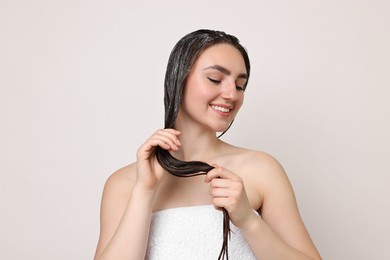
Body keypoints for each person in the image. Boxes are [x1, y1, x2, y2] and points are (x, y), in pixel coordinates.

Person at [94, 29, 321, 260]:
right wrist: (144, 191)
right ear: (178, 78)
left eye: (240, 85)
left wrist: (249, 221)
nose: (232, 94)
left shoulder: (261, 169)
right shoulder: (125, 183)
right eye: (215, 79)